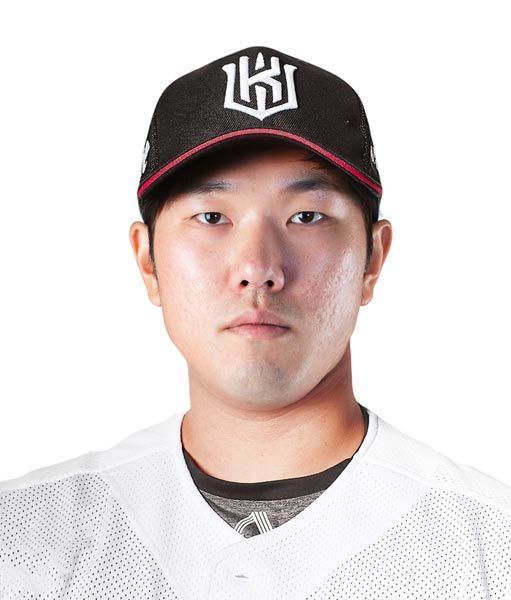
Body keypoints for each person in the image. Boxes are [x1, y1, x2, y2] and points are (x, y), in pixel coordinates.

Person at [1, 45, 510, 599]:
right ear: (148, 262)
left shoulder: (491, 550)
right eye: (211, 217)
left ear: (372, 259)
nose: (258, 268)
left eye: (306, 216)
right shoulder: (22, 542)